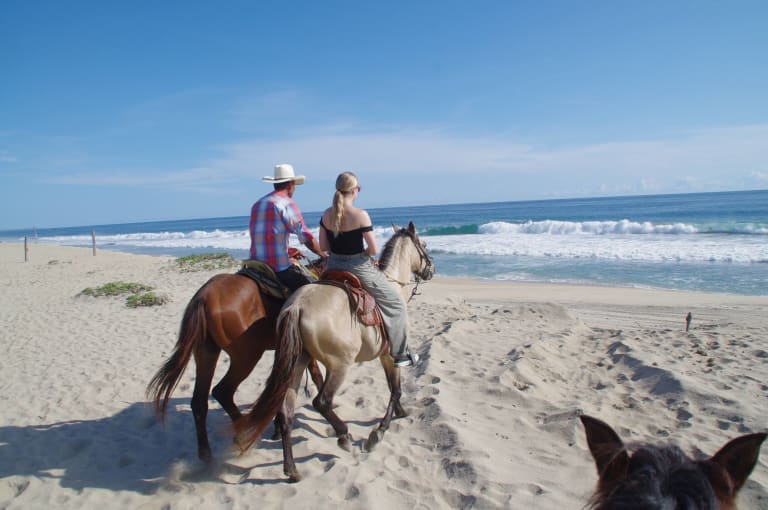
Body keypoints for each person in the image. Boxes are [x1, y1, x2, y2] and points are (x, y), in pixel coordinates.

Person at [318, 171, 419, 367]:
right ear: (355, 190)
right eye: (358, 187)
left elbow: (323, 246)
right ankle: (400, 354)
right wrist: (358, 255)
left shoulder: (326, 214)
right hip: (359, 267)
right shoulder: (360, 215)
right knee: (396, 303)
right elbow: (373, 250)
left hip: (332, 266)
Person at [249, 163, 327, 292]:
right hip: (276, 266)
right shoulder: (286, 204)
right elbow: (305, 236)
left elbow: (265, 237)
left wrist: (289, 250)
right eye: (294, 186)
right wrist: (322, 254)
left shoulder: (257, 204)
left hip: (254, 263)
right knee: (310, 291)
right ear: (290, 185)